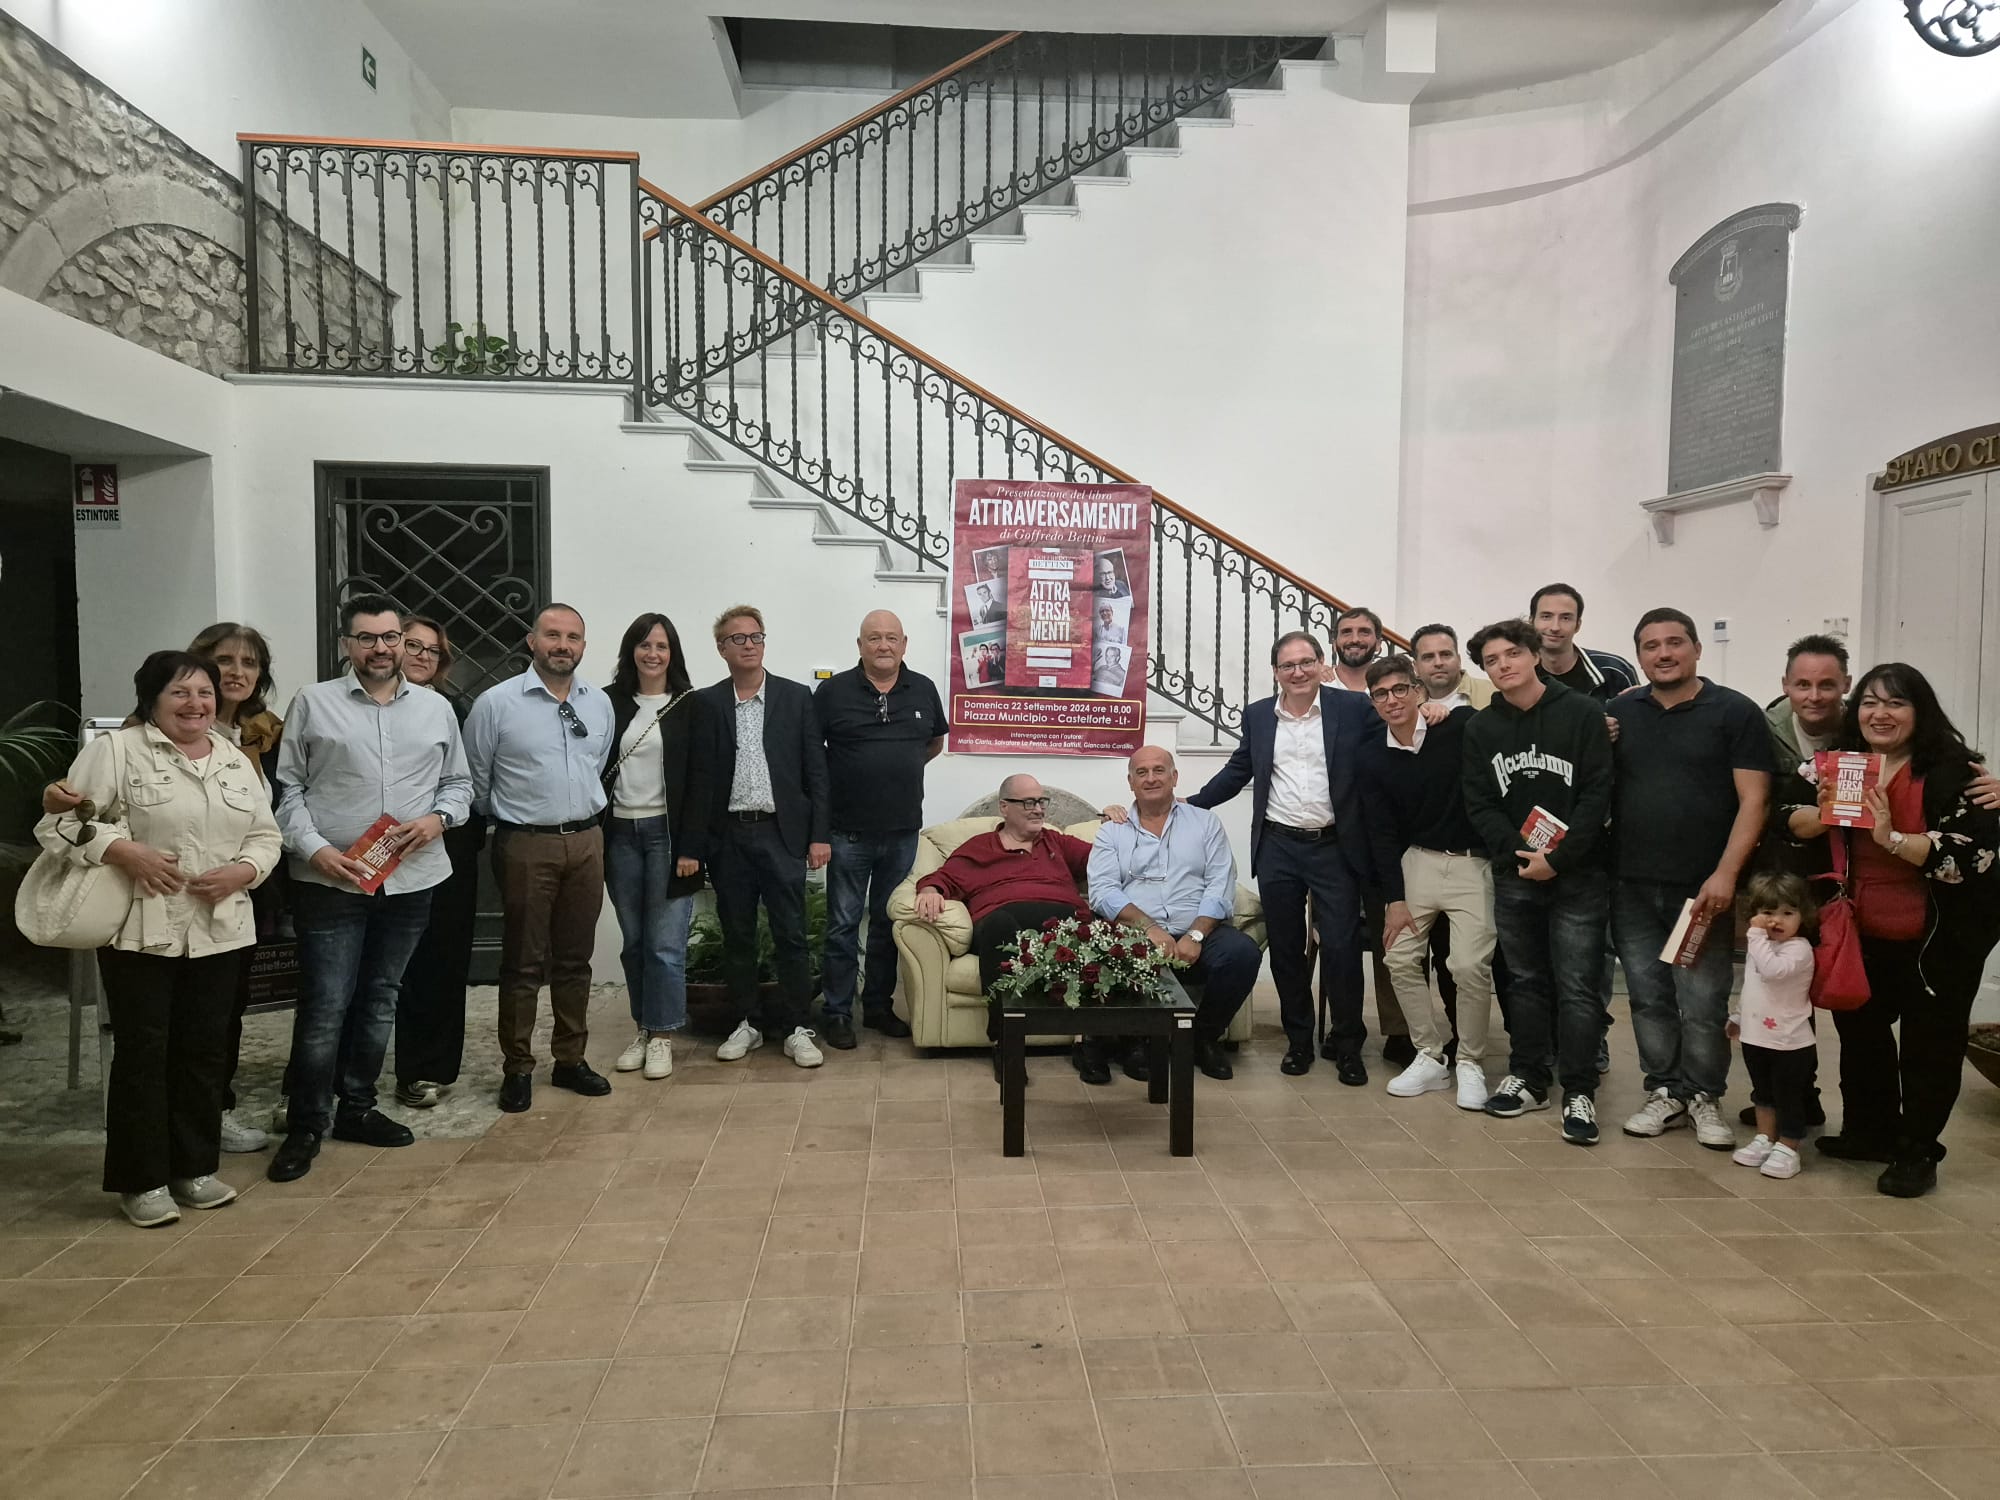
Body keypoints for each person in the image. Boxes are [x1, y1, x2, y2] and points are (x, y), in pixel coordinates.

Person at [36, 651, 283, 1226]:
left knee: (204, 1051)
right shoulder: (115, 751)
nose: (196, 704)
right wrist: (123, 851)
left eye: (204, 692)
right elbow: (59, 824)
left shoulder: (233, 757)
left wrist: (244, 871)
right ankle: (142, 1180)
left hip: (220, 929)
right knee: (144, 1054)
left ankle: (194, 1169)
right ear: (151, 700)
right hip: (140, 929)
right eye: (180, 693)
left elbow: (266, 836)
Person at [267, 594, 472, 1182]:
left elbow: (459, 784)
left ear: (402, 642)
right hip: (330, 881)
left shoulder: (435, 708)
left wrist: (438, 820)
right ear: (346, 644)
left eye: (389, 638)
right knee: (326, 1004)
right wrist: (316, 849)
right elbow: (288, 789)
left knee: (382, 996)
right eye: (367, 638)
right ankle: (307, 1121)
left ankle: (357, 1107)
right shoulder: (313, 702)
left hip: (411, 879)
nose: (380, 649)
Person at [1793, 663, 2000, 1197]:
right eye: (1869, 702)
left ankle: (1918, 1151)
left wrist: (1892, 839)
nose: (1880, 714)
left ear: (1919, 712)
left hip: (1939, 938)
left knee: (1930, 1046)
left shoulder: (1957, 772)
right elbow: (1785, 814)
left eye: (1895, 703)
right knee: (1861, 1033)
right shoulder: (1838, 764)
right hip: (1858, 929)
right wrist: (1815, 816)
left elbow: (1972, 856)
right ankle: (1871, 1131)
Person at [1185, 630, 1382, 1081]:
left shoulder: (1353, 708)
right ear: (1275, 672)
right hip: (1278, 845)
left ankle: (1347, 1044)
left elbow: (1391, 740)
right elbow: (1239, 769)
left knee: (1342, 947)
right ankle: (1298, 1042)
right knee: (1287, 950)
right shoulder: (1258, 715)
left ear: (1321, 664)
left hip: (1335, 846)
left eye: (1306, 662)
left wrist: (1427, 711)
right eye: (1288, 665)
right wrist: (1191, 804)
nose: (1298, 672)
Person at [1609, 609, 1770, 1152]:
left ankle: (1704, 1095)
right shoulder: (1619, 712)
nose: (1664, 653)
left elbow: (1754, 800)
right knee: (1647, 997)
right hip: (1631, 884)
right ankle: (1664, 1091)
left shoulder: (1735, 712)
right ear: (1639, 656)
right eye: (1651, 645)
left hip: (1701, 891)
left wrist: (1726, 874)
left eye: (1674, 642)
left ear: (1697, 648)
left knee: (1701, 1002)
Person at [1461, 619, 1614, 1144]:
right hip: (1516, 873)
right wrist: (1519, 853)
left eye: (1511, 654)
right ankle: (1529, 1077)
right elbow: (1480, 801)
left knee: (1578, 987)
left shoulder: (1582, 713)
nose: (1502, 665)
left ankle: (1579, 1088)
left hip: (1579, 874)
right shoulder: (1482, 727)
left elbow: (1597, 793)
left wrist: (1560, 858)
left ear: (1533, 655)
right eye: (1491, 661)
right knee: (1523, 981)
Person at [464, 603, 616, 1112]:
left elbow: (598, 764)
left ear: (583, 646)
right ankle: (518, 1067)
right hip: (526, 843)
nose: (562, 645)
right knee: (523, 961)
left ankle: (570, 1059)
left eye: (573, 637)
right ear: (532, 641)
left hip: (587, 841)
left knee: (575, 960)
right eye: (553, 635)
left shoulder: (599, 703)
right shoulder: (496, 704)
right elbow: (476, 779)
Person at [1360, 656, 1495, 1111]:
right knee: (1398, 957)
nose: (1392, 700)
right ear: (1373, 703)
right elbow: (1380, 833)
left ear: (1418, 690)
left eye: (1400, 689)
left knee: (1468, 966)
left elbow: (1495, 723)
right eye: (1381, 694)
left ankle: (1470, 1062)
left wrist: (1447, 711)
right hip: (1416, 862)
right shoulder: (1372, 755)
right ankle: (1430, 1056)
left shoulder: (1457, 727)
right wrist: (1394, 900)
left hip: (1471, 864)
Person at [702, 606, 832, 1069]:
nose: (749, 645)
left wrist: (819, 836)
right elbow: (700, 778)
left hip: (782, 833)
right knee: (737, 934)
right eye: (738, 638)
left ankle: (797, 1027)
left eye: (756, 636)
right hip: (730, 835)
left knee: (790, 933)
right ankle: (747, 1023)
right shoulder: (708, 703)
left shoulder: (795, 698)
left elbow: (817, 772)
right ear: (722, 648)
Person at [813, 610, 945, 1049]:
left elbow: (934, 742)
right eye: (874, 638)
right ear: (860, 645)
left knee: (889, 924)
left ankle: (877, 1007)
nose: (883, 645)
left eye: (891, 638)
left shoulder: (923, 688)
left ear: (904, 644)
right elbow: (812, 754)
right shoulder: (833, 692)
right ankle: (837, 1012)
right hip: (846, 833)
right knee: (843, 925)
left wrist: (895, 767)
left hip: (902, 832)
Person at [1091, 746, 1261, 1083]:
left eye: (1159, 770)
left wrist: (1196, 934)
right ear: (1130, 782)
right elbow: (1103, 890)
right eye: (1141, 772)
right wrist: (1150, 928)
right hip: (1138, 932)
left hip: (1200, 929)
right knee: (1113, 952)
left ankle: (1202, 1038)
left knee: (1242, 954)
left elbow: (1220, 882)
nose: (1151, 778)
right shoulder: (1113, 831)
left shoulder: (1205, 823)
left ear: (1174, 777)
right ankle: (1138, 1042)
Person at [913, 773, 1092, 1082]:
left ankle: (1091, 1041)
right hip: (1002, 923)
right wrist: (930, 891)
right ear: (1005, 807)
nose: (1039, 809)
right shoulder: (980, 848)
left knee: (1098, 928)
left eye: (1041, 802)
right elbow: (943, 878)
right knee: (999, 924)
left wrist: (1116, 820)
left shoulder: (1055, 842)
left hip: (1062, 920)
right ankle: (1006, 1042)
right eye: (1029, 803)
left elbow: (1106, 858)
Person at [603, 613, 717, 1082]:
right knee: (634, 944)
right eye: (645, 645)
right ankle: (643, 1028)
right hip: (619, 836)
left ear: (673, 654)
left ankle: (664, 1035)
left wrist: (692, 848)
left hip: (669, 838)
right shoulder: (607, 702)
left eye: (662, 646)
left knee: (665, 946)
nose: (653, 654)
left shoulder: (691, 705)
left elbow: (703, 783)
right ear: (631, 650)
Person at [1529, 582, 1631, 1074]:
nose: (1554, 626)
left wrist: (1615, 731)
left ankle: (1592, 1039)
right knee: (1540, 948)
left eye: (1564, 617)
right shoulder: (1519, 671)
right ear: (1532, 621)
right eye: (1546, 617)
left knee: (1593, 951)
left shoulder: (1612, 673)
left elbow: (1638, 733)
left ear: (1578, 624)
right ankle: (1550, 1038)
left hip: (1598, 829)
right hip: (1538, 828)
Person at [1313, 608, 1413, 1065]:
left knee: (1391, 932)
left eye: (1364, 632)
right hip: (1329, 837)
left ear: (1378, 639)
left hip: (1378, 835)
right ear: (1334, 640)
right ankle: (1343, 1027)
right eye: (1346, 631)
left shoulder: (1390, 688)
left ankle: (1399, 1029)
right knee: (1339, 939)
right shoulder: (1317, 687)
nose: (1355, 638)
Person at [392, 615, 483, 1108]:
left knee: (441, 961)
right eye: (414, 645)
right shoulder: (351, 706)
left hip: (448, 846)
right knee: (366, 966)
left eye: (433, 650)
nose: (424, 656)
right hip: (375, 849)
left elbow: (472, 779)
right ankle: (340, 1076)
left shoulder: (456, 710)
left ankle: (425, 1068)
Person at [1727, 871, 1818, 1181]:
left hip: (1789, 1042)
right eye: (1768, 912)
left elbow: (1772, 972)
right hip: (1756, 1037)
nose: (1776, 920)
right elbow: (1752, 987)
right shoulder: (1761, 946)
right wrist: (1738, 1016)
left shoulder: (1799, 949)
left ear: (1803, 916)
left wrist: (1754, 936)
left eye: (1788, 913)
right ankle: (1765, 1137)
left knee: (1787, 1095)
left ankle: (1789, 1146)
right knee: (1762, 1093)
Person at [1409, 623, 1494, 710]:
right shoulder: (1409, 706)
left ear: (1459, 660)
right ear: (1416, 667)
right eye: (1428, 657)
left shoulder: (1492, 693)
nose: (1438, 663)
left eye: (1446, 654)